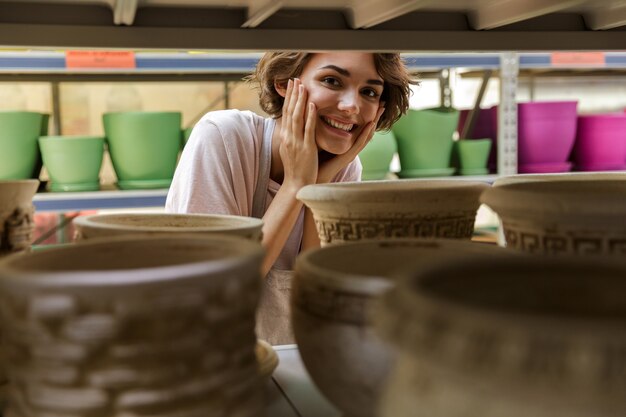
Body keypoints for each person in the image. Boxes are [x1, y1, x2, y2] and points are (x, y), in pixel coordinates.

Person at [166, 52, 415, 344]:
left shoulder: (344, 169)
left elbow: (319, 302)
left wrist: (319, 190)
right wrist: (296, 183)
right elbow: (220, 291)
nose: (351, 107)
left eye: (369, 92)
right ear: (283, 82)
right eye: (332, 81)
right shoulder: (224, 137)